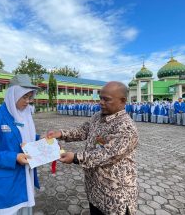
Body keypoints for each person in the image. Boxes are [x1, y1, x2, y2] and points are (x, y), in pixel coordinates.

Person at [47, 81, 138, 215]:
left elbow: (107, 154)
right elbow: (83, 130)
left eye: (106, 99)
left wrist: (76, 157)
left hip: (115, 195)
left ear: (122, 101)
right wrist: (60, 133)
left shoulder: (126, 127)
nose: (101, 102)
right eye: (100, 98)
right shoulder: (98, 116)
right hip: (95, 189)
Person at [0, 74, 40, 215]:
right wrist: (14, 157)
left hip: (25, 178)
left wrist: (47, 145)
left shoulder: (26, 115)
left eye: (30, 97)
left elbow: (27, 139)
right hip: (5, 185)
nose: (28, 101)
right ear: (13, 95)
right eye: (24, 97)